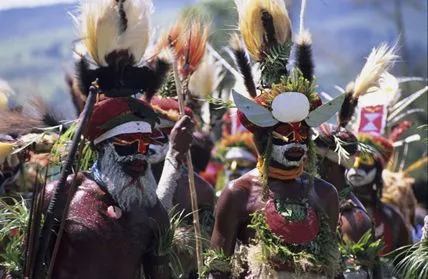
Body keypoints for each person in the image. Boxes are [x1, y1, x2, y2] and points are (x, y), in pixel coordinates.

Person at [207, 1, 341, 277]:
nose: (295, 143)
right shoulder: (237, 195)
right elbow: (217, 272)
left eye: (302, 133)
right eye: (284, 134)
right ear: (260, 138)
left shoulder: (325, 194)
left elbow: (333, 269)